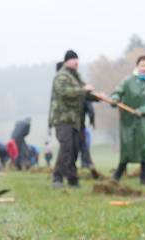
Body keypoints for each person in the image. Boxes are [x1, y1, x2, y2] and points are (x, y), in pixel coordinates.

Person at [110, 55, 145, 185]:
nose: (143, 68)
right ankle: (117, 176)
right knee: (127, 148)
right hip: (128, 121)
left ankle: (144, 179)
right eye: (141, 65)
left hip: (144, 122)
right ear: (137, 67)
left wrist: (142, 110)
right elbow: (118, 92)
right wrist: (115, 98)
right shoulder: (128, 81)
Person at [49, 50, 95, 188]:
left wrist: (97, 97)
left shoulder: (76, 77)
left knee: (75, 149)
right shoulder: (61, 77)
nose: (76, 62)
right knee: (66, 148)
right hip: (63, 119)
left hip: (77, 120)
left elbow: (85, 94)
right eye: (73, 59)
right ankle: (57, 178)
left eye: (77, 59)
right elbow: (65, 93)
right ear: (66, 62)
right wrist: (83, 90)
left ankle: (72, 179)